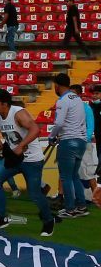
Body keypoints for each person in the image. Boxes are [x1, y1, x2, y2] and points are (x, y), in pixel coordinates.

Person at [0, 89, 54, 236]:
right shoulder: (0, 116)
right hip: (14, 159)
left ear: (4, 104)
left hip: (31, 160)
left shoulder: (18, 113)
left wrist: (21, 146)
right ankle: (1, 217)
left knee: (34, 194)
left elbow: (36, 129)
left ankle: (49, 221)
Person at [47, 73, 91, 220]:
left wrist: (52, 136)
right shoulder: (78, 99)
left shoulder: (63, 101)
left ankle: (70, 208)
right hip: (81, 141)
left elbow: (59, 123)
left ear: (57, 85)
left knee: (66, 177)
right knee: (74, 176)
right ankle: (82, 206)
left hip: (68, 141)